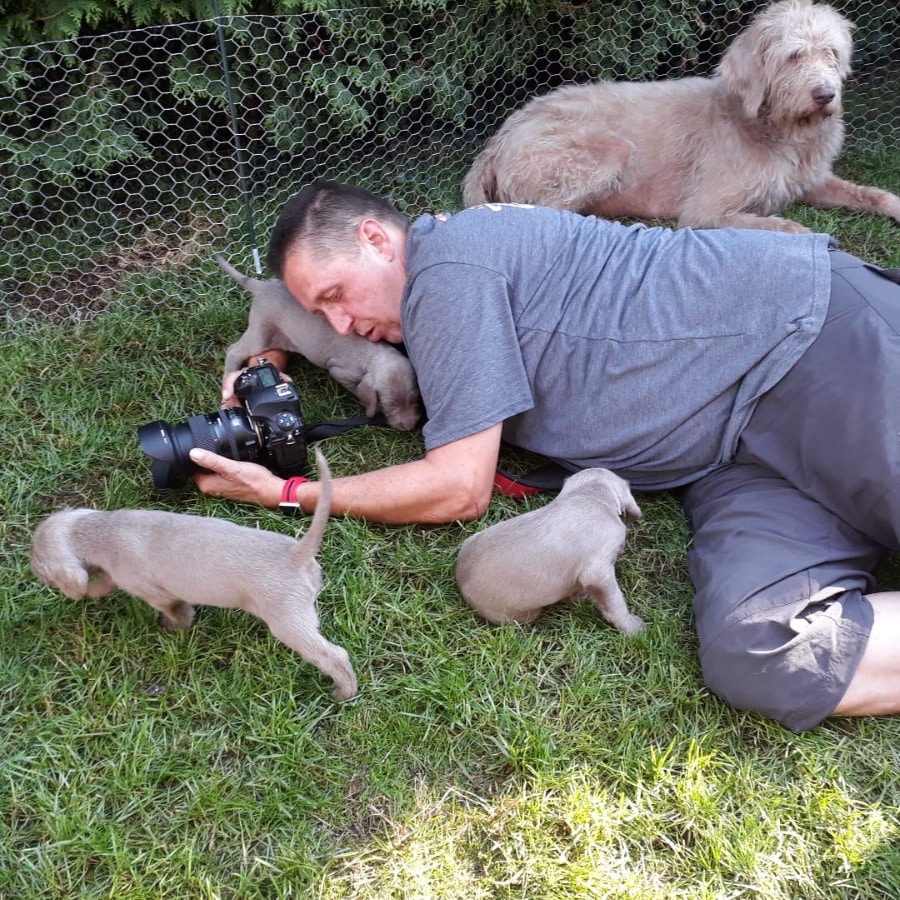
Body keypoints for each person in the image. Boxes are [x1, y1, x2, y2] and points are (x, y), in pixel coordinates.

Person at [191, 179, 900, 732]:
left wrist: (286, 496)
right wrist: (271, 358)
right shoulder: (427, 301)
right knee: (763, 657)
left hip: (807, 348)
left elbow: (457, 489)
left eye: (339, 296)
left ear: (378, 240)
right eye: (324, 315)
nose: (343, 324)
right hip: (732, 460)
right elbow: (286, 299)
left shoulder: (450, 269)